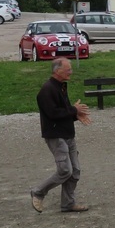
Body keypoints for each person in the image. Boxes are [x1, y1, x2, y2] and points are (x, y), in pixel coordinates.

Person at [30, 58, 92, 213]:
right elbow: (52, 113)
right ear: (57, 71)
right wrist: (73, 110)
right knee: (65, 170)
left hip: (68, 134)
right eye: (68, 69)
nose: (71, 71)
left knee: (75, 171)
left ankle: (68, 203)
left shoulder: (61, 86)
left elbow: (63, 112)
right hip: (56, 135)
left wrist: (75, 115)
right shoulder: (47, 89)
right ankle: (38, 192)